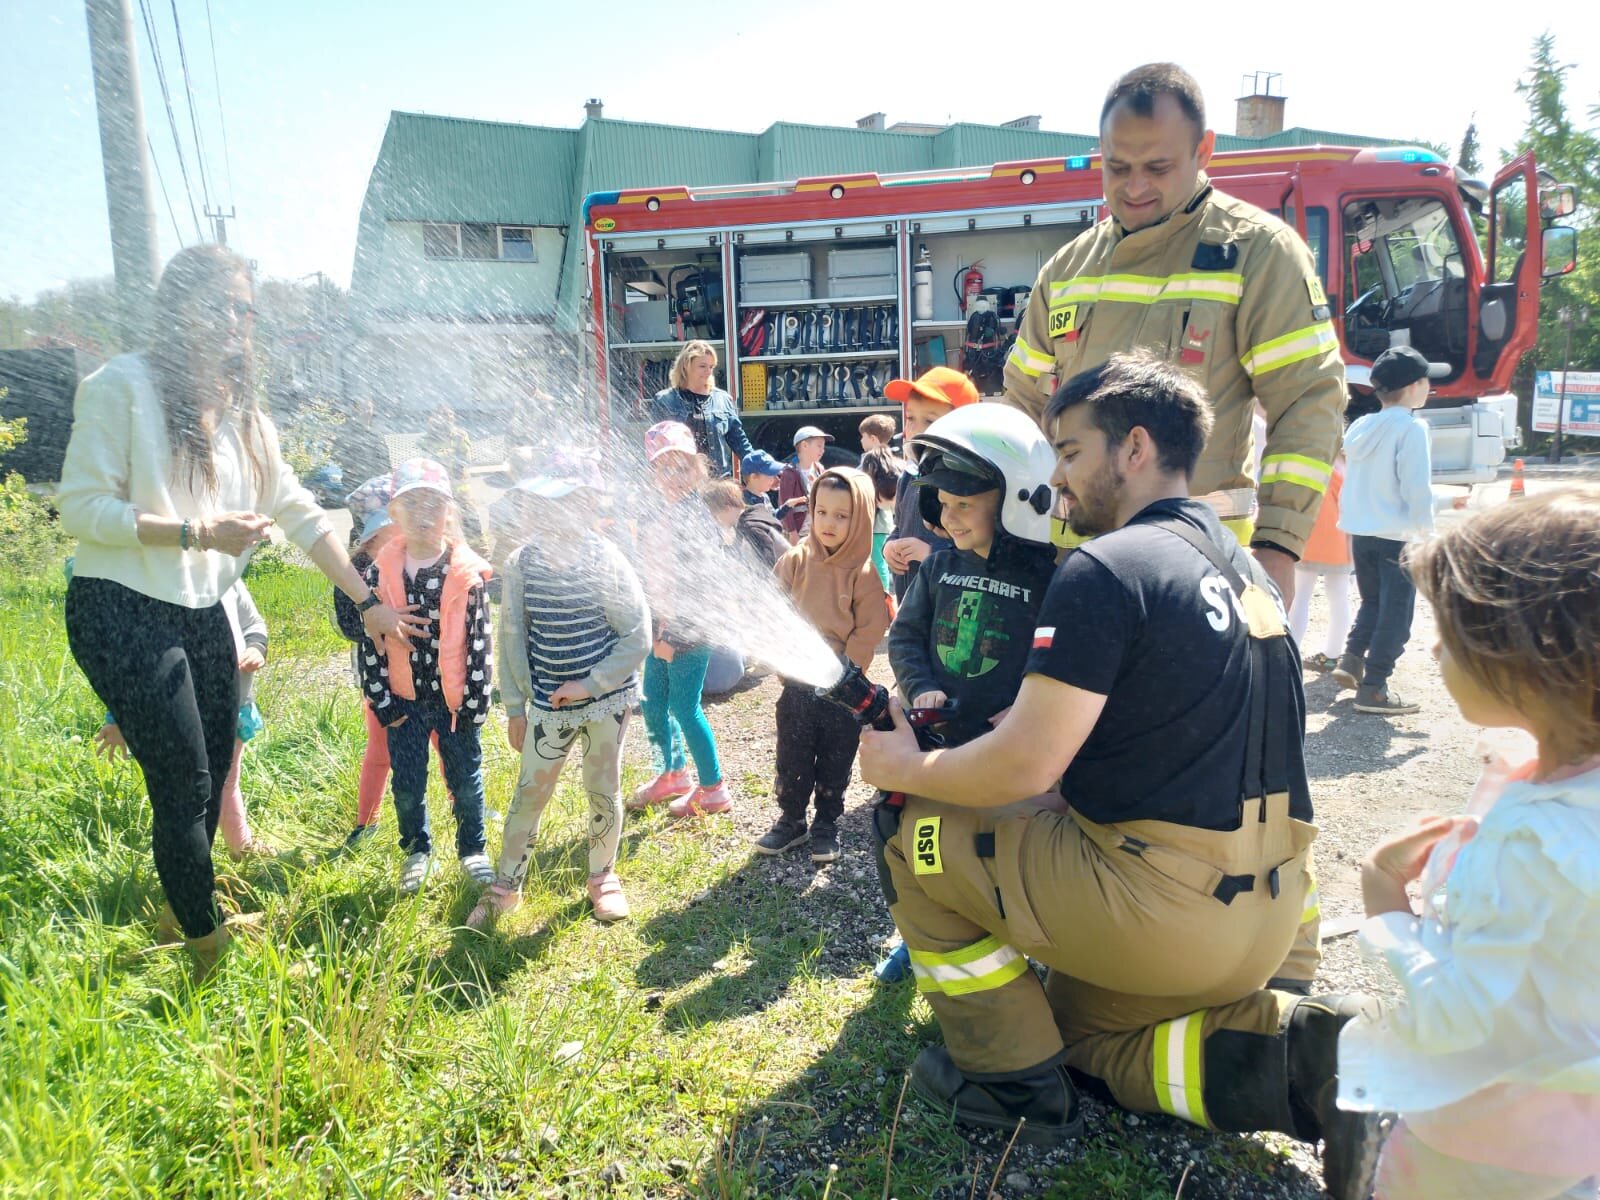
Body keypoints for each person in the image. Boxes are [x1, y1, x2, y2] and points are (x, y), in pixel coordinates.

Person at [857, 354, 1374, 1199]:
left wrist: (910, 764)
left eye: (1069, 452)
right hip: (1273, 918)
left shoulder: (1109, 568)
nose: (1057, 480)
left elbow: (1024, 764)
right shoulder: (1247, 573)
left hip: (1159, 908)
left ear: (1133, 448)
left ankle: (1007, 1083)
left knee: (908, 836)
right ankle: (1318, 1053)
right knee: (1089, 1041)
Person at [58, 244, 423, 979]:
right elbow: (81, 508)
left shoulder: (245, 415)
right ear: (177, 307)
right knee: (185, 781)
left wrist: (370, 604)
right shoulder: (120, 386)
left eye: (243, 308)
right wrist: (198, 532)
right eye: (217, 303)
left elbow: (299, 511)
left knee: (219, 761)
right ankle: (207, 948)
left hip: (202, 608)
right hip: (121, 607)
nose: (233, 320)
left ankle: (180, 903)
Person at [1001, 62, 1346, 607]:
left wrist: (1279, 546)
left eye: (1157, 167)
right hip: (1071, 564)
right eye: (1117, 167)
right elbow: (1021, 407)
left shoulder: (1259, 255)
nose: (1135, 187)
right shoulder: (1067, 270)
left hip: (1195, 568)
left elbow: (1308, 403)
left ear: (1204, 150)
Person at [1338, 486, 1600, 1200]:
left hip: (1486, 1144)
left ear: (1527, 661)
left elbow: (1460, 1015)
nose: (1431, 648)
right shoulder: (1568, 788)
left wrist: (1385, 907)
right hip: (1573, 1134)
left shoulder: (1535, 838)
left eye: (1450, 635)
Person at [876, 402, 1059, 983]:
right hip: (940, 742)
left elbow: (1065, 660)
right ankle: (923, 930)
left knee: (1000, 852)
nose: (951, 518)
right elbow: (905, 637)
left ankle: (1017, 944)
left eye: (965, 505)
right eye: (944, 505)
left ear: (1013, 501)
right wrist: (921, 686)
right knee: (918, 841)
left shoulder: (1052, 578)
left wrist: (1033, 707)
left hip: (1006, 754)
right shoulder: (937, 569)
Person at [468, 451, 650, 929]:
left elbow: (638, 636)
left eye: (569, 501)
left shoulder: (605, 559)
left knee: (602, 789)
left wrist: (590, 683)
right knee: (530, 790)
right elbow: (511, 636)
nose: (556, 512)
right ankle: (506, 884)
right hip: (547, 705)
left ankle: (603, 878)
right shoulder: (522, 562)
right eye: (546, 502)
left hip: (605, 703)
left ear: (591, 505)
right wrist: (513, 706)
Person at [339, 458, 495, 894]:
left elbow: (481, 641)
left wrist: (475, 702)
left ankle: (472, 849)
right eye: (412, 506)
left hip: (454, 704)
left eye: (434, 505)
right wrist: (382, 701)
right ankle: (416, 850)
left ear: (450, 511)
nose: (424, 516)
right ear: (395, 514)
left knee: (465, 780)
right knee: (408, 784)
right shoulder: (376, 575)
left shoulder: (467, 574)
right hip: (403, 702)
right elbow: (372, 642)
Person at [755, 467, 889, 863]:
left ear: (860, 518)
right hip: (798, 685)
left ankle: (827, 824)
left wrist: (848, 668)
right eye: (822, 511)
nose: (828, 523)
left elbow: (870, 628)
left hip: (843, 691)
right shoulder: (796, 560)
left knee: (836, 759)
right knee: (792, 755)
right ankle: (791, 820)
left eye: (842, 515)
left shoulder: (863, 576)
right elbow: (772, 605)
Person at [96, 578, 276, 862]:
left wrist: (256, 648)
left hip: (233, 704)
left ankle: (240, 846)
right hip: (180, 711)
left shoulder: (227, 578)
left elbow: (253, 623)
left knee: (227, 780)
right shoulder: (157, 581)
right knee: (189, 786)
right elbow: (134, 658)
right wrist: (118, 718)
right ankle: (188, 870)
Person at [334, 474, 456, 847]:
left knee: (443, 741)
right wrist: (383, 618)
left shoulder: (423, 561)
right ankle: (366, 822)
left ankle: (461, 802)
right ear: (367, 538)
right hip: (382, 681)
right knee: (380, 751)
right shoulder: (353, 573)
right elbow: (348, 623)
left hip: (430, 677)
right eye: (384, 532)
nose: (395, 537)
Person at [629, 421, 734, 818]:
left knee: (684, 706)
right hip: (660, 626)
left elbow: (700, 588)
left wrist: (672, 635)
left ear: (698, 469)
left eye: (682, 467)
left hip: (689, 631)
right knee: (652, 701)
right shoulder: (658, 513)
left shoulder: (697, 519)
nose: (673, 476)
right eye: (664, 467)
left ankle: (713, 787)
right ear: (653, 472)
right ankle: (671, 773)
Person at [1330, 346, 1434, 715]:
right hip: (1398, 534)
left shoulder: (1361, 426)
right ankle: (1374, 687)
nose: (1428, 387)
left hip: (1361, 531)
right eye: (1426, 381)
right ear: (1415, 385)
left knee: (1372, 602)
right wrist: (1427, 531)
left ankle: (1352, 659)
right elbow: (1416, 487)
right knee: (1397, 611)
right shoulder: (1412, 428)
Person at [881, 367, 973, 600]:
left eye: (930, 420)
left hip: (950, 608)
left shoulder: (970, 486)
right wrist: (889, 547)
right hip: (910, 603)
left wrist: (932, 553)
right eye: (911, 418)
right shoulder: (909, 477)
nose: (917, 429)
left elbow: (981, 551)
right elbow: (900, 527)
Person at [649, 340, 753, 479]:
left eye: (711, 366)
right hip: (681, 483)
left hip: (718, 482)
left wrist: (762, 468)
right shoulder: (664, 400)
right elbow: (656, 447)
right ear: (686, 365)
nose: (708, 372)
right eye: (702, 366)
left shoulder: (723, 400)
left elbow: (740, 442)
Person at [1287, 454, 1351, 671]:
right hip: (1341, 536)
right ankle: (1333, 654)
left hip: (1310, 535)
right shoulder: (1349, 463)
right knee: (1339, 596)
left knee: (1300, 597)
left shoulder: (1309, 456)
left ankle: (1290, 655)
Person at [704, 478, 788, 572]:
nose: (717, 522)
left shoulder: (751, 527)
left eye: (716, 517)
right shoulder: (754, 515)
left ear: (727, 509)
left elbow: (768, 566)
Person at [858, 447, 903, 595]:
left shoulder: (875, 474)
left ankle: (882, 595)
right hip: (882, 527)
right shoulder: (899, 472)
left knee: (878, 562)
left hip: (878, 528)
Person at [777, 426, 831, 542]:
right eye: (819, 446)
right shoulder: (790, 472)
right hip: (800, 532)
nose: (822, 450)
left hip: (818, 530)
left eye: (823, 446)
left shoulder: (819, 469)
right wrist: (792, 532)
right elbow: (785, 505)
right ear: (805, 445)